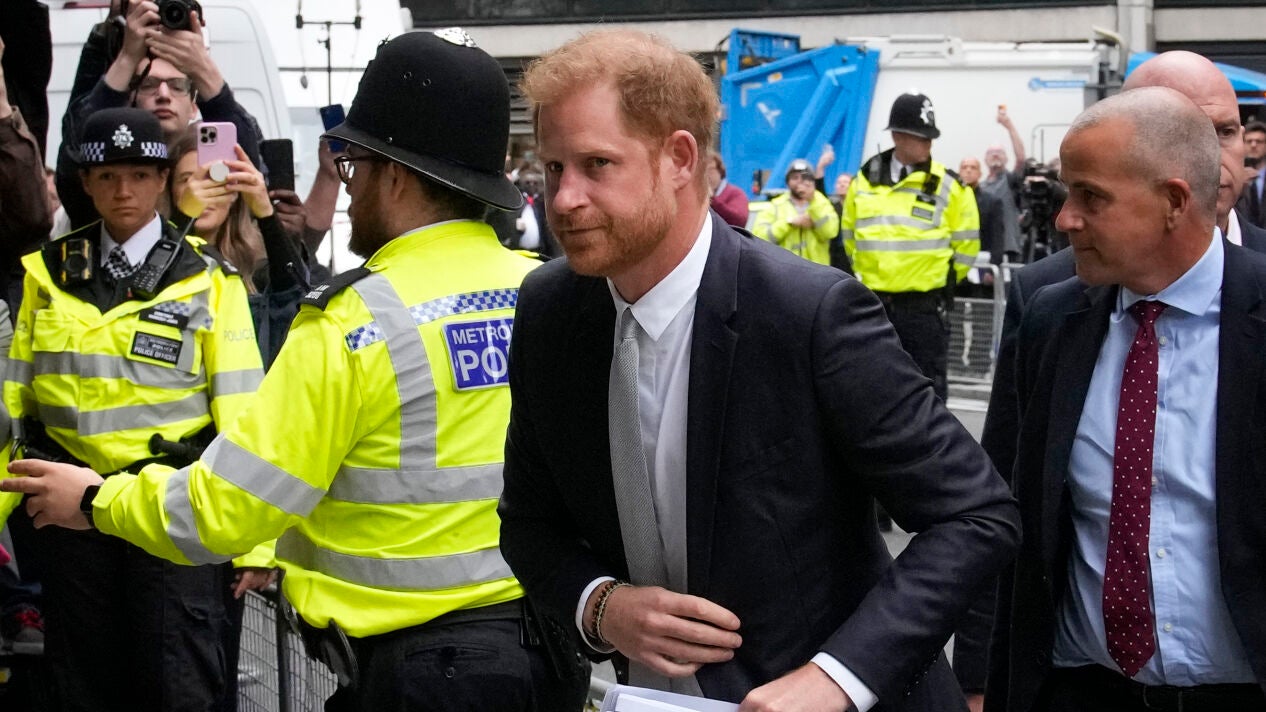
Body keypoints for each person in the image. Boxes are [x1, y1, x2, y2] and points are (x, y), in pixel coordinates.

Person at [0, 30, 590, 711]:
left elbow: (227, 507)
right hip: (548, 659)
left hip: (426, 678)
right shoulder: (547, 294)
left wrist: (96, 501)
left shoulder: (354, 322)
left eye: (353, 170)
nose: (350, 193)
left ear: (394, 176)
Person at [497, 28, 1019, 711]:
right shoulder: (550, 309)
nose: (563, 198)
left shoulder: (808, 313)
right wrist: (599, 605)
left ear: (680, 158)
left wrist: (837, 677)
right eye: (552, 168)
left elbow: (976, 515)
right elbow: (528, 522)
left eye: (597, 164)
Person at [956, 49, 1266, 712]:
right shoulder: (1053, 317)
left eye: (1090, 197)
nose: (1065, 218)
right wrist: (983, 676)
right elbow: (1010, 505)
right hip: (1082, 692)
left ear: (1173, 202)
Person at [0, 106, 264, 711]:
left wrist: (255, 545)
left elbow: (242, 412)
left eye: (141, 175)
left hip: (171, 509)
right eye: (108, 176)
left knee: (179, 684)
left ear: (163, 180)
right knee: (80, 688)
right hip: (67, 516)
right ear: (86, 183)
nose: (124, 190)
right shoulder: (47, 276)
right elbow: (14, 406)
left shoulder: (207, 279)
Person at [56, 0, 264, 230]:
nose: (163, 95)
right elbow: (75, 162)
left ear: (194, 103)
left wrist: (202, 67)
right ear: (129, 98)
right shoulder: (112, 183)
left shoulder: (213, 153)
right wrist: (125, 55)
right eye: (149, 85)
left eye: (177, 86)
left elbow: (253, 174)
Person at [841, 91, 980, 401]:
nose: (929, 144)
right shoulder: (862, 182)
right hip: (873, 305)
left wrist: (935, 282)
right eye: (922, 137)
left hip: (923, 309)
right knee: (871, 389)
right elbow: (849, 239)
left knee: (927, 392)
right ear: (898, 136)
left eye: (931, 137)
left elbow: (967, 248)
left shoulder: (950, 186)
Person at [168, 126, 310, 366]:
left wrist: (265, 211)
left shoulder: (260, 267)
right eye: (187, 180)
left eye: (214, 177)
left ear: (235, 191)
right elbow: (158, 276)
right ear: (170, 190)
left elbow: (293, 301)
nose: (203, 190)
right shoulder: (155, 256)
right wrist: (184, 217)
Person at [750, 158, 839, 265]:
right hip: (784, 270)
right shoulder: (775, 206)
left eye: (805, 177)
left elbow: (831, 232)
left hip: (817, 270)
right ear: (787, 182)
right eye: (795, 177)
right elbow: (759, 238)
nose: (800, 181)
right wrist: (789, 223)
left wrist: (814, 221)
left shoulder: (821, 203)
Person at [1235, 120, 1266, 228]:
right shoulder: (1232, 176)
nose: (1253, 145)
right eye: (1249, 141)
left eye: (1259, 141)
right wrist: (1238, 185)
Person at [706, 152, 749, 228]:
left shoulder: (735, 193)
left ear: (720, 171)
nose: (707, 175)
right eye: (703, 171)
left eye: (711, 170)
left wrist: (712, 200)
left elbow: (739, 220)